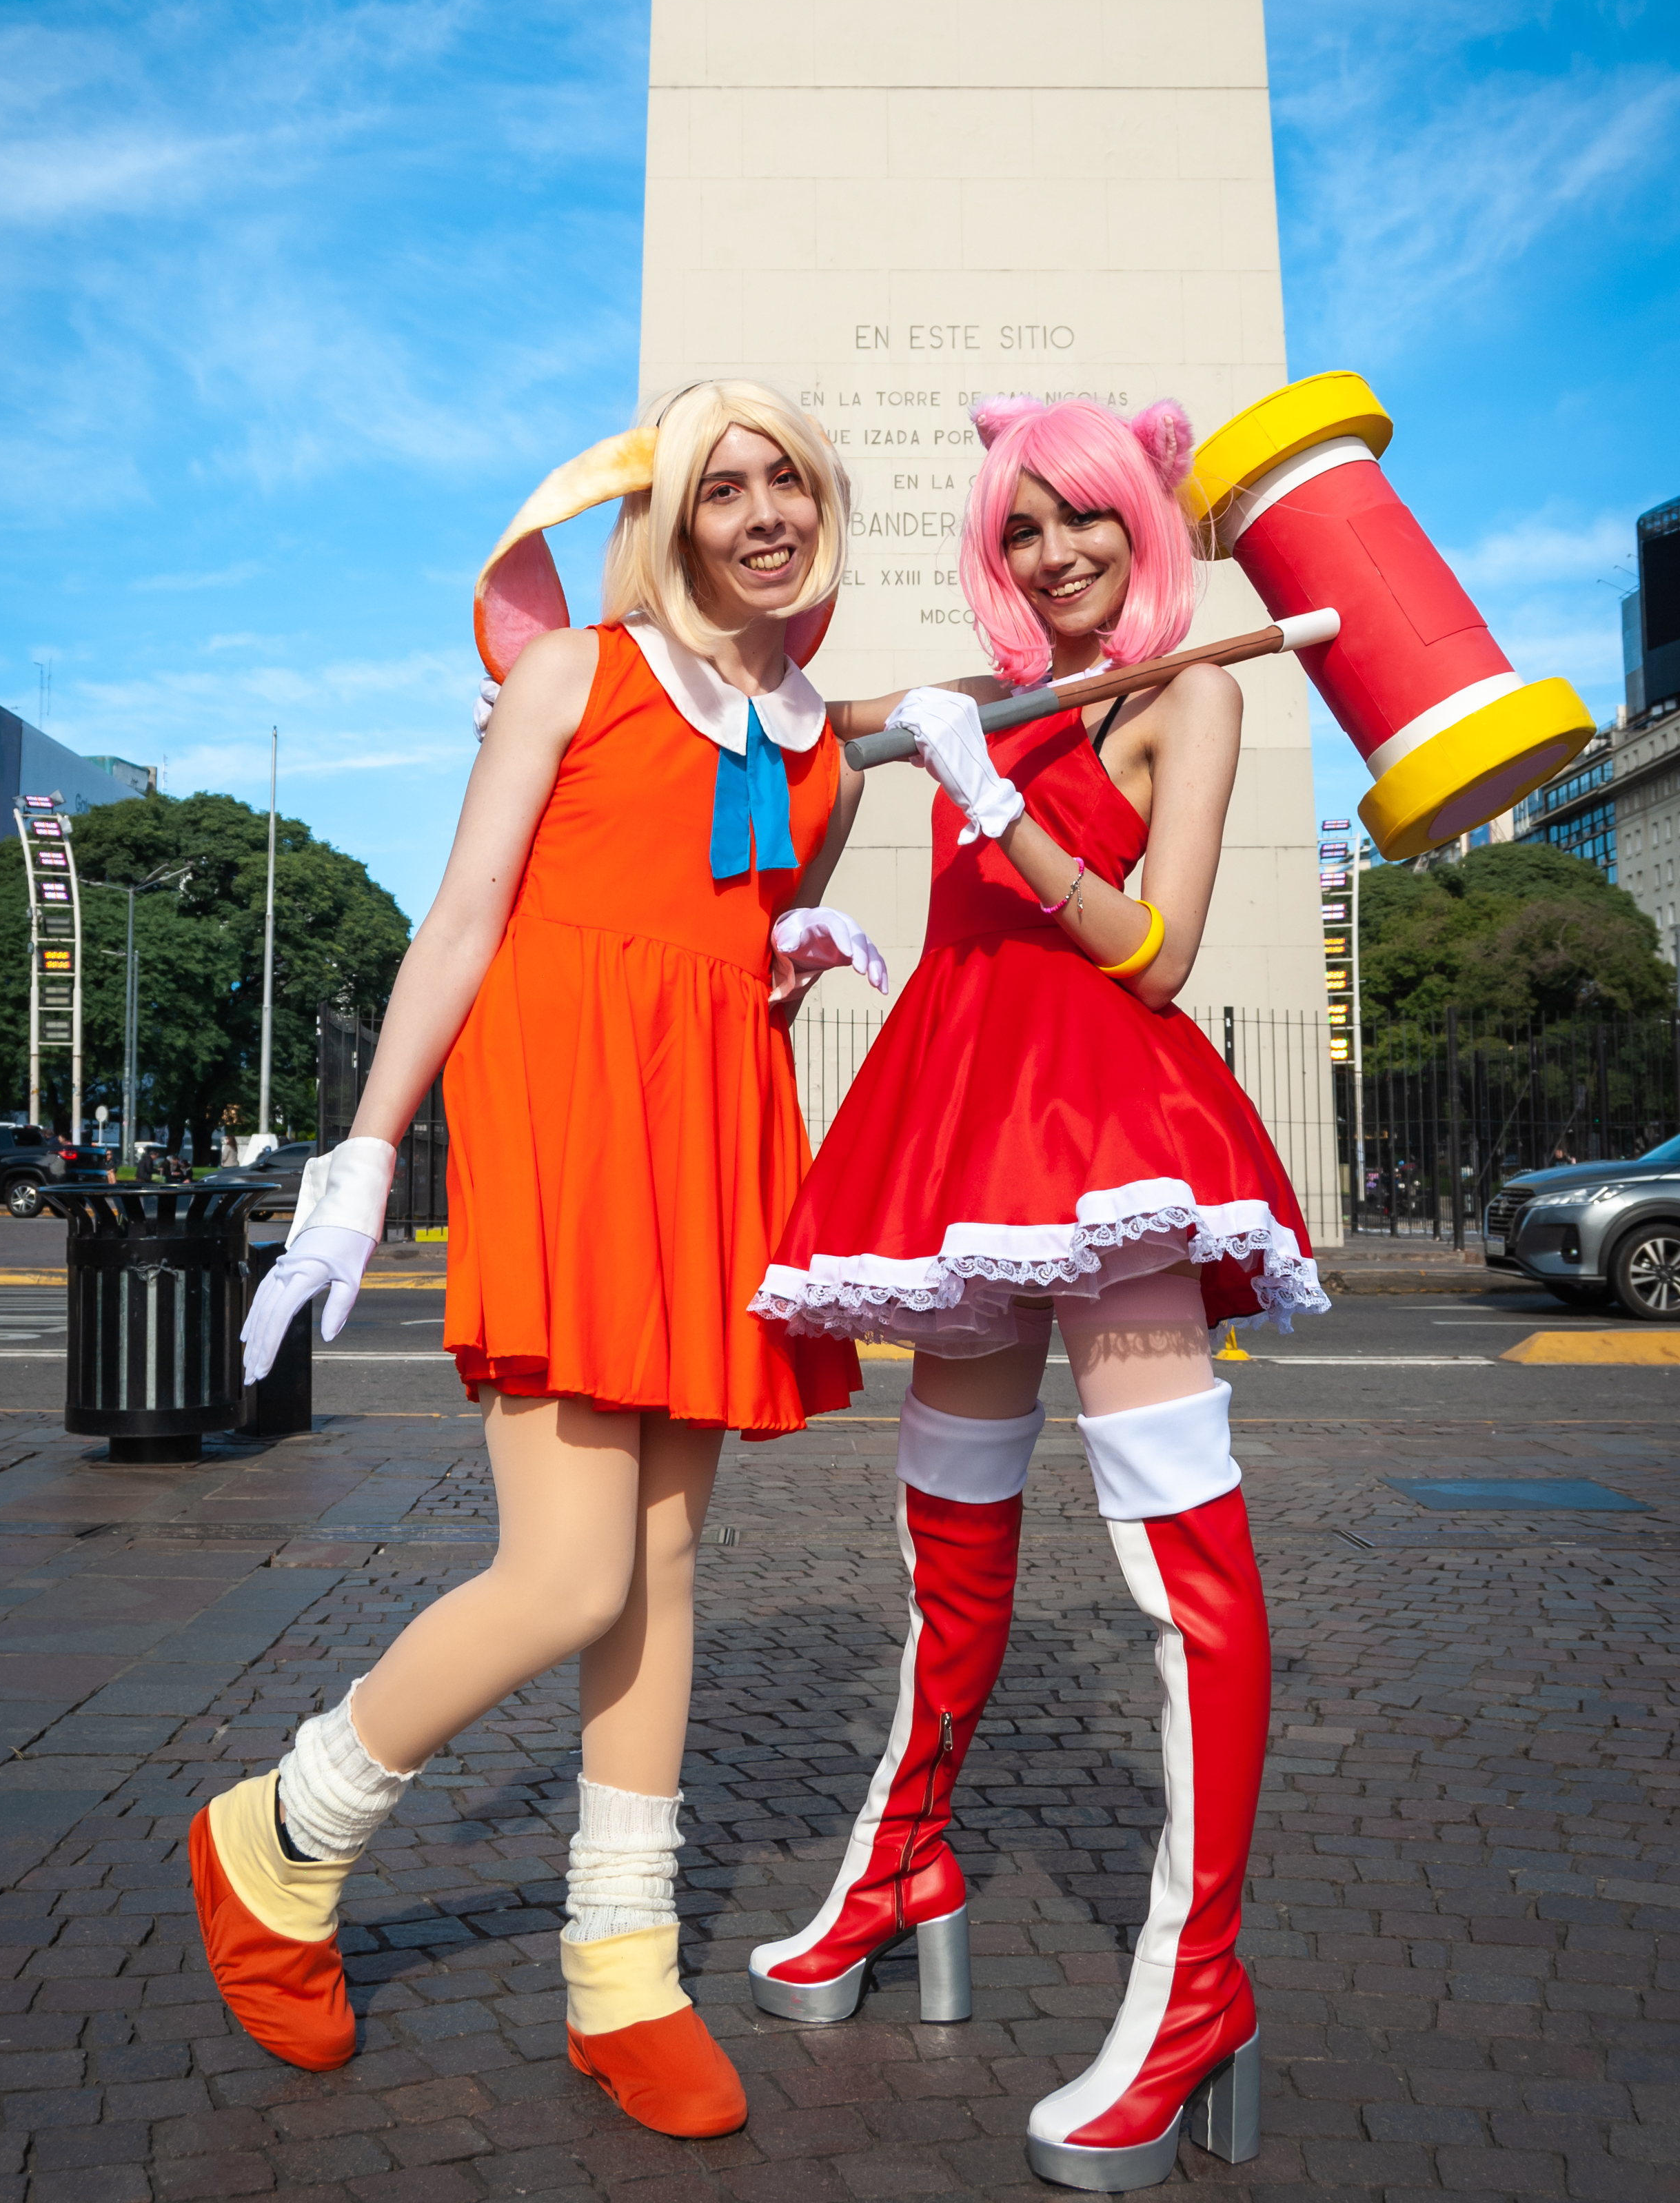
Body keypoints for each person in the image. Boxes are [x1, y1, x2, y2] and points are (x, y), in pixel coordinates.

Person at [196, 381, 885, 2140]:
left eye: (785, 480)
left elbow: (739, 934)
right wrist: (359, 1159)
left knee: (657, 1576)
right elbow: (467, 913)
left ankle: (621, 1964)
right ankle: (281, 1836)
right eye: (723, 485)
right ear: (668, 518)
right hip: (567, 1120)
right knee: (571, 1574)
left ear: (821, 507)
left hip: (710, 1133)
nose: (759, 510)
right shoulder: (572, 672)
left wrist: (794, 947)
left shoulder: (814, 743)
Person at [747, 396, 1326, 2192]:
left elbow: (1153, 956)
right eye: (1024, 528)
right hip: (966, 1143)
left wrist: (995, 797)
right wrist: (819, 920)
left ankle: (1198, 1986)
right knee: (948, 1557)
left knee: (1183, 1574)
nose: (1057, 553)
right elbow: (800, 752)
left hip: (1117, 1149)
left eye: (1088, 519)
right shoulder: (1007, 694)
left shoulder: (1191, 693)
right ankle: (900, 1862)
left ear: (1142, 527)